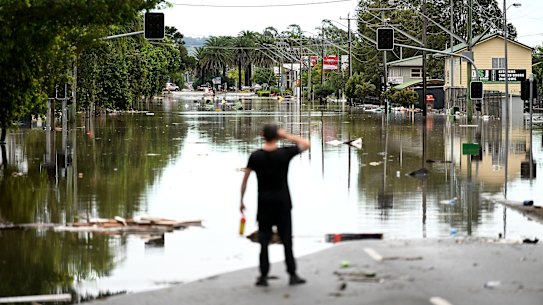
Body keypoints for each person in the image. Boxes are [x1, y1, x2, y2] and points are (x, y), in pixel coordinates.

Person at [240, 123, 311, 287]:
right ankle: (292, 274)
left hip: (264, 202)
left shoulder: (255, 156)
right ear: (277, 136)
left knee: (264, 240)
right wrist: (286, 136)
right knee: (286, 239)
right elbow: (306, 144)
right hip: (283, 202)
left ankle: (263, 276)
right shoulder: (284, 153)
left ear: (263, 135)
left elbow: (245, 181)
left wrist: (241, 201)